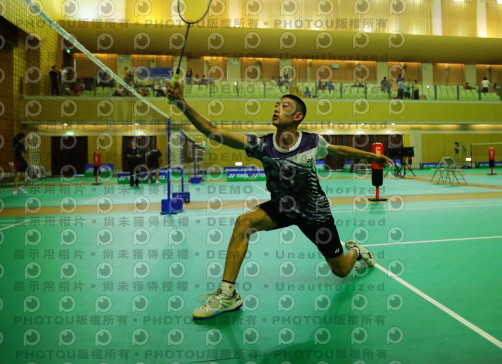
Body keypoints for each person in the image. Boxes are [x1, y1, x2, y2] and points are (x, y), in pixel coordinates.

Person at [167, 83, 393, 320]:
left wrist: (371, 156)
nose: (276, 108)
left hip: (315, 213)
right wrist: (181, 103)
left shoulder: (312, 142)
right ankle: (228, 295)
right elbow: (212, 130)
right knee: (244, 222)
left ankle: (356, 251)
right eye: (276, 105)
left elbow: (338, 151)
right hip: (283, 207)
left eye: (284, 106)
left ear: (298, 116)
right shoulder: (262, 145)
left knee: (342, 271)